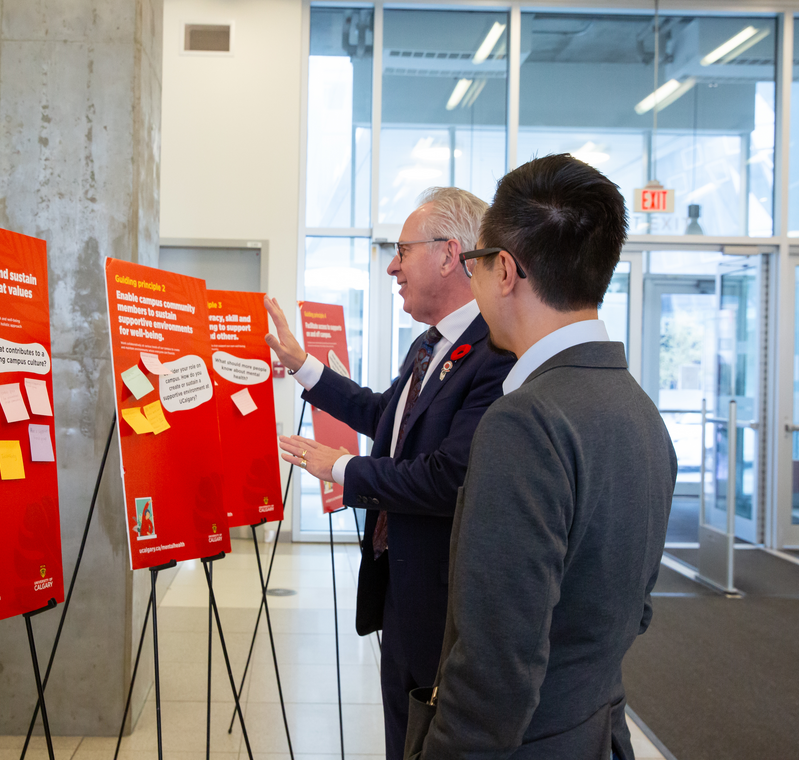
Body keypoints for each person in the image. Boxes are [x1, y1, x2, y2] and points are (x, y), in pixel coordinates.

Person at [408, 155, 676, 760]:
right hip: (594, 731)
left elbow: (494, 671)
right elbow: (634, 612)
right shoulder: (641, 412)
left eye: (475, 263)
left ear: (504, 270)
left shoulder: (525, 423)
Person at [265, 187, 515, 760]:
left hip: (444, 599)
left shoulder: (493, 354)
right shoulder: (430, 345)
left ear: (450, 254)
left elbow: (448, 477)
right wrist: (303, 366)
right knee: (403, 734)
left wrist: (344, 468)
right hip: (401, 588)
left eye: (403, 250)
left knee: (433, 736)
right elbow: (387, 416)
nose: (391, 266)